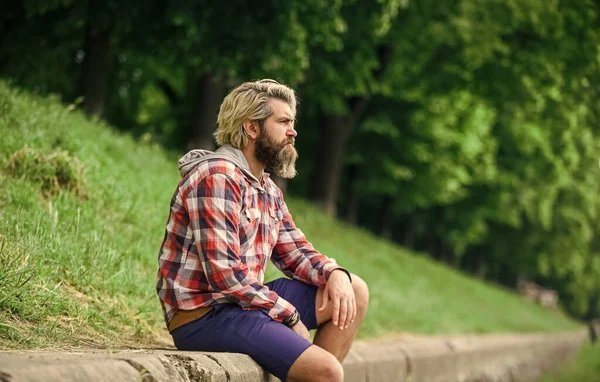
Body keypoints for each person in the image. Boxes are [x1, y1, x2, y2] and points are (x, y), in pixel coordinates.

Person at [156, 79, 369, 382]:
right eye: (283, 121)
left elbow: (296, 253)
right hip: (205, 315)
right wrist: (288, 314)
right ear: (252, 128)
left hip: (242, 305)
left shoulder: (266, 189)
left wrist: (335, 273)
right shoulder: (217, 176)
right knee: (327, 371)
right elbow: (225, 275)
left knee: (353, 290)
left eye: (292, 122)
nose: (292, 131)